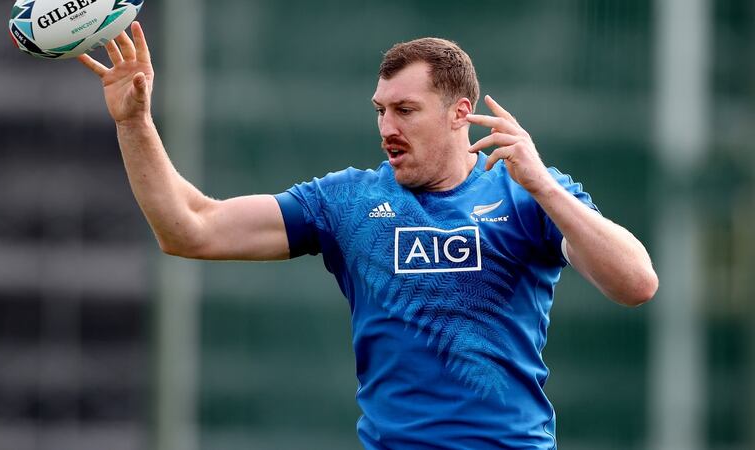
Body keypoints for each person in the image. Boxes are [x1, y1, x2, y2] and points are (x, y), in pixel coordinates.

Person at [79, 22, 658, 449]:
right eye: (380, 110)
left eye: (405, 110)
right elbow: (191, 228)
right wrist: (134, 122)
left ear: (460, 113)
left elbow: (636, 283)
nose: (387, 127)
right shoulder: (348, 201)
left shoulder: (526, 194)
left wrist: (544, 187)